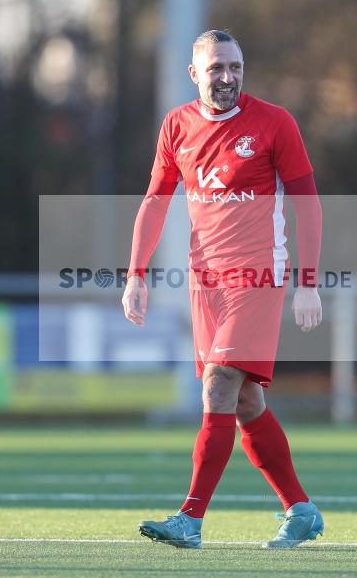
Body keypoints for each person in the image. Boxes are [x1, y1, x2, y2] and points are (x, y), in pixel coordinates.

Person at [122, 29, 324, 549]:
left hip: (258, 276)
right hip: (205, 281)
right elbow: (155, 203)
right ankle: (301, 510)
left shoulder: (275, 122)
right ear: (195, 74)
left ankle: (190, 518)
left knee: (216, 386)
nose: (228, 77)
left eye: (235, 67)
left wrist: (308, 283)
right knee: (245, 401)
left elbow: (308, 204)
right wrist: (135, 275)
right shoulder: (177, 126)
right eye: (216, 68)